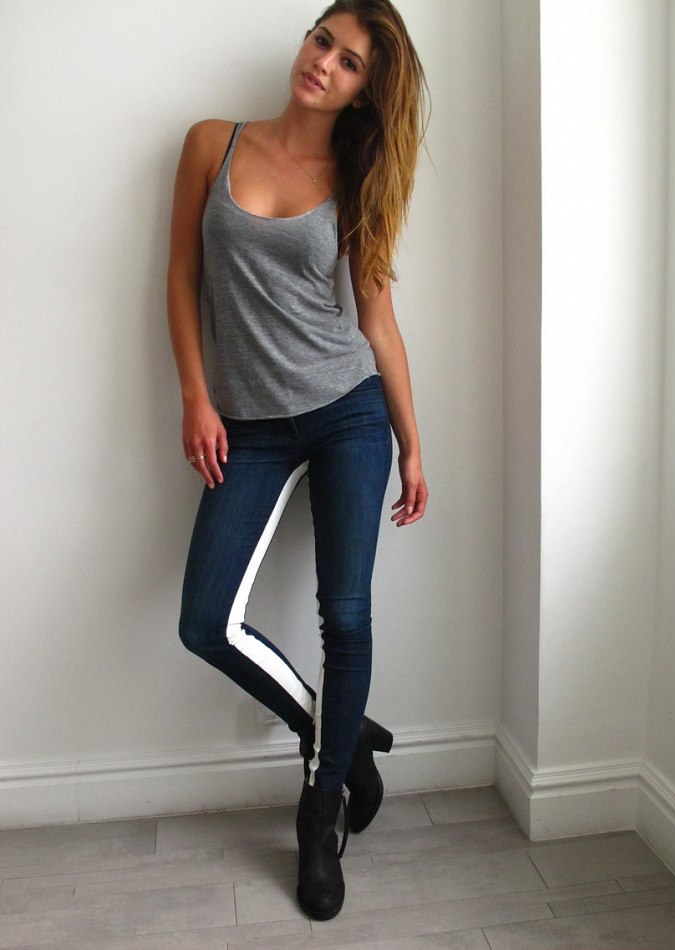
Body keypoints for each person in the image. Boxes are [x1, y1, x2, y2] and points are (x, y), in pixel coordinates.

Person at [166, 0, 429, 920]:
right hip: (247, 423)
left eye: (350, 63)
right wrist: (195, 395)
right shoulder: (212, 143)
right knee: (205, 621)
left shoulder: (357, 181)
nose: (325, 63)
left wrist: (412, 441)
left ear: (362, 93)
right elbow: (182, 277)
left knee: (345, 614)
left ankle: (321, 816)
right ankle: (342, 734)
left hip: (346, 410)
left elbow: (377, 322)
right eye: (324, 41)